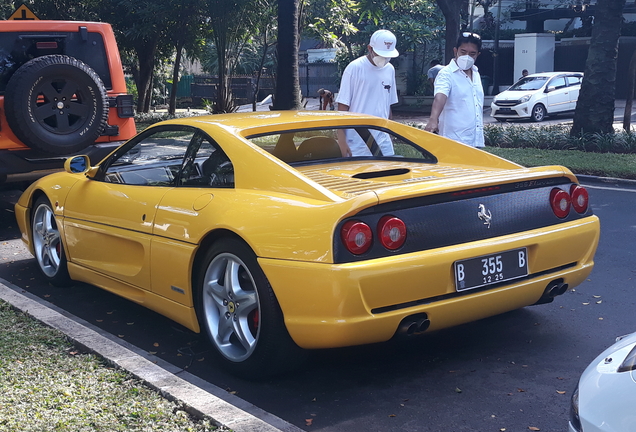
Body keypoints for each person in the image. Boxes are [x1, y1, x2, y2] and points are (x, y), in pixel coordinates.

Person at [336, 29, 399, 156]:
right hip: (357, 141)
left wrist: (390, 133)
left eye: (388, 56)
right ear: (370, 48)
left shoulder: (390, 70)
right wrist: (342, 141)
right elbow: (342, 107)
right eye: (381, 55)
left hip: (383, 140)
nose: (385, 59)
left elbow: (388, 105)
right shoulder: (354, 68)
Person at [424, 32, 484, 148]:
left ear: (478, 54)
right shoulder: (446, 74)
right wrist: (433, 119)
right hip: (453, 141)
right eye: (463, 52)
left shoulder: (476, 73)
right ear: (455, 51)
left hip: (476, 141)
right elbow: (440, 97)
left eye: (472, 54)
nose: (467, 57)